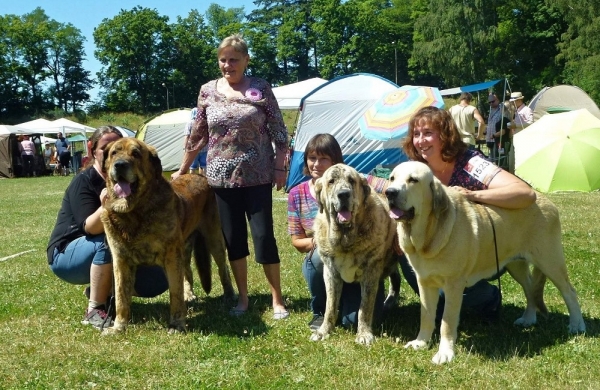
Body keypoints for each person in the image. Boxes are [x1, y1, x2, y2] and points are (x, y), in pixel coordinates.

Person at [171, 34, 289, 320]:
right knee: (233, 239)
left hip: (258, 175)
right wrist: (183, 168)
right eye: (223, 60)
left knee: (264, 237)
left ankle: (277, 300)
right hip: (221, 179)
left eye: (233, 59)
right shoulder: (207, 91)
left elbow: (279, 131)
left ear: (246, 60)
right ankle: (243, 299)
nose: (227, 65)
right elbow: (197, 135)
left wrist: (281, 166)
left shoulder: (261, 88)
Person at [401, 106, 536, 321]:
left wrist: (474, 195)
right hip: (439, 249)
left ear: (445, 135)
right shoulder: (415, 170)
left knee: (454, 285)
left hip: (481, 247)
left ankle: (487, 297)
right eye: (416, 135)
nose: (421, 141)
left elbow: (525, 194)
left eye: (428, 133)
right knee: (405, 254)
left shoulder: (470, 163)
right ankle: (439, 308)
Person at [47, 126, 169, 330]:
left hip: (102, 252)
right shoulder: (84, 181)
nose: (120, 156)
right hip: (67, 254)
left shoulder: (130, 181)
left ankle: (108, 291)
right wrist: (106, 205)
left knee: (158, 280)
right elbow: (90, 228)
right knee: (110, 239)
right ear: (93, 151)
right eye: (108, 149)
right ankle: (94, 308)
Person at [287, 134, 390, 330]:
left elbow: (390, 186)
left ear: (335, 160)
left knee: (351, 323)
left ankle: (356, 300)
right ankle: (321, 311)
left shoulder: (355, 178)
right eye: (312, 158)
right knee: (318, 257)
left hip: (360, 261)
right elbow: (296, 241)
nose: (317, 164)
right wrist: (320, 241)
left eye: (324, 158)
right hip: (327, 259)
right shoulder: (296, 194)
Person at [508, 91, 534, 173]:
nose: (512, 103)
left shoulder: (527, 110)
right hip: (517, 137)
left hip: (524, 138)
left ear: (519, 100)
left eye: (513, 102)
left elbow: (531, 123)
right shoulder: (516, 111)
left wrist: (516, 125)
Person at [485, 93, 509, 163]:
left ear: (498, 100)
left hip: (498, 139)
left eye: (493, 101)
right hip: (490, 139)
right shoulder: (491, 111)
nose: (491, 103)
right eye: (489, 102)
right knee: (492, 159)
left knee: (499, 159)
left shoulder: (502, 108)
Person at [183, 107, 208, 174]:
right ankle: (205, 182)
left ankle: (192, 181)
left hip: (193, 149)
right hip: (204, 148)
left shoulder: (189, 123)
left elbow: (187, 136)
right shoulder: (205, 123)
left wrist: (185, 148)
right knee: (205, 167)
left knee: (192, 167)